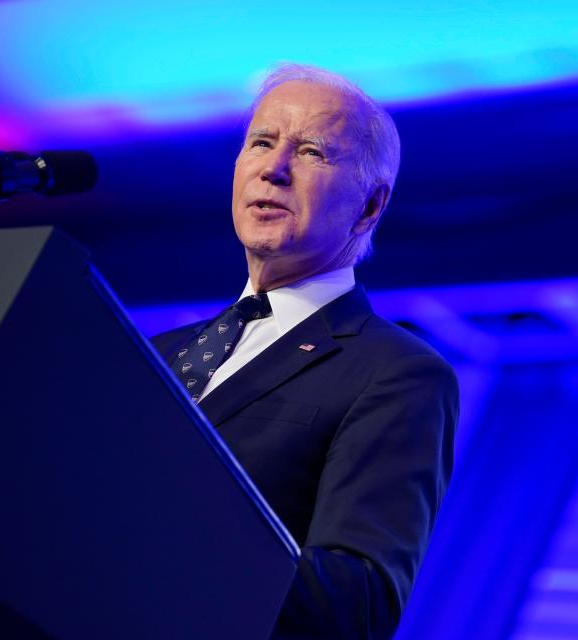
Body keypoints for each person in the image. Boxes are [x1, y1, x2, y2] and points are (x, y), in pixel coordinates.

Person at [151, 63, 458, 639]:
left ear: (370, 205)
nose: (274, 169)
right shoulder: (150, 354)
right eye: (261, 142)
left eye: (313, 152)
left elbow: (358, 604)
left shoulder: (396, 374)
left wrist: (163, 520)